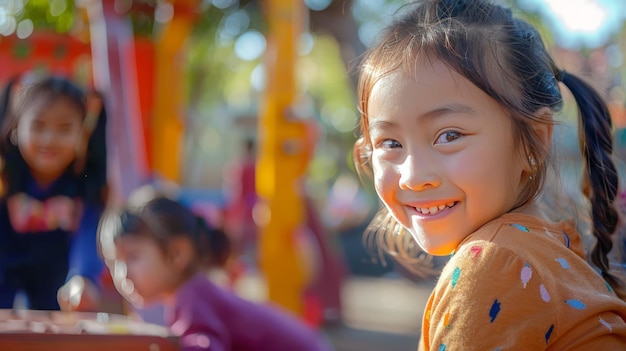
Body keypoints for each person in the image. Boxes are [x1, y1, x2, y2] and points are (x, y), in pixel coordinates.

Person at [352, 0, 626, 349]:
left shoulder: (498, 262)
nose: (413, 176)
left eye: (449, 135)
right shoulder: (545, 253)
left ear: (534, 141)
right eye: (390, 142)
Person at [98, 196, 332, 351]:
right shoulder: (195, 293)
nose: (122, 274)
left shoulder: (192, 298)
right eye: (114, 262)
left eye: (133, 257)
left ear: (178, 253)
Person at [0, 74, 108, 311]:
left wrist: (83, 278)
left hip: (57, 278)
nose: (49, 139)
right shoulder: (5, 175)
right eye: (38, 126)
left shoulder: (85, 183)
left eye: (64, 128)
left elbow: (88, 234)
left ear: (83, 133)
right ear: (16, 128)